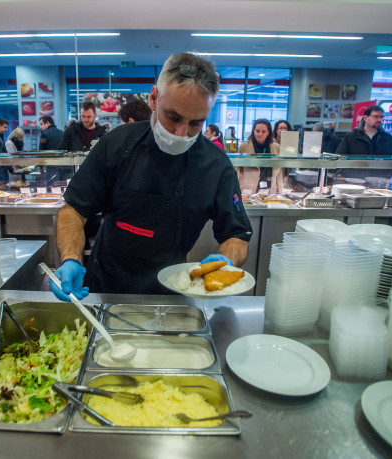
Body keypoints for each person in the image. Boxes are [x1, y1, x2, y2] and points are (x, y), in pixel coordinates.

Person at [50, 52, 252, 299]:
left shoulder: (216, 166)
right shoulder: (116, 145)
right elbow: (74, 210)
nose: (181, 133)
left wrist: (226, 259)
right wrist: (70, 258)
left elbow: (237, 235)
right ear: (154, 98)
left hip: (171, 292)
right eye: (173, 117)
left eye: (195, 123)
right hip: (104, 288)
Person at [236, 119, 283, 194]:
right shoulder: (244, 147)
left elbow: (279, 172)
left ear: (268, 132)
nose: (260, 134)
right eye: (257, 131)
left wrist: (281, 191)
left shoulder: (276, 147)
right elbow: (237, 170)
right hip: (248, 190)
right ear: (253, 131)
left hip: (270, 191)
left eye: (263, 131)